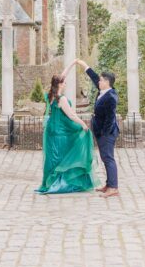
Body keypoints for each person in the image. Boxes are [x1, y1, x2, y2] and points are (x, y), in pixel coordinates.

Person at [34, 64, 98, 195]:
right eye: (64, 82)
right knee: (62, 156)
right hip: (61, 132)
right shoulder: (61, 99)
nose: (66, 83)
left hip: (51, 131)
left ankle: (49, 182)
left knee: (52, 157)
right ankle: (60, 183)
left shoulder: (50, 96)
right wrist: (83, 124)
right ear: (60, 85)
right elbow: (71, 115)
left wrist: (71, 64)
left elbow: (61, 76)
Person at [74, 59, 119, 198]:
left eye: (100, 80)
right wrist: (84, 65)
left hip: (107, 133)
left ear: (106, 82)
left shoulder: (111, 96)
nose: (98, 81)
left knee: (108, 158)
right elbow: (94, 77)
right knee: (105, 158)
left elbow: (110, 118)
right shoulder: (103, 90)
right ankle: (109, 184)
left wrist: (104, 134)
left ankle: (113, 187)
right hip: (101, 132)